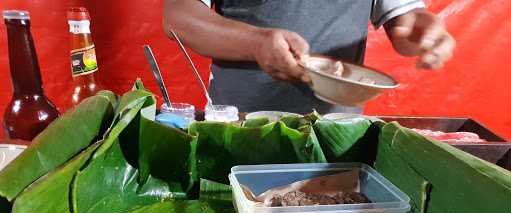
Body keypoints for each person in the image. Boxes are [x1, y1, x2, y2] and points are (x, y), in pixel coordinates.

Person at [163, 0, 455, 114]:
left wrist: (419, 28)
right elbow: (179, 16)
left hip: (337, 133)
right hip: (240, 126)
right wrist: (256, 43)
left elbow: (404, 18)